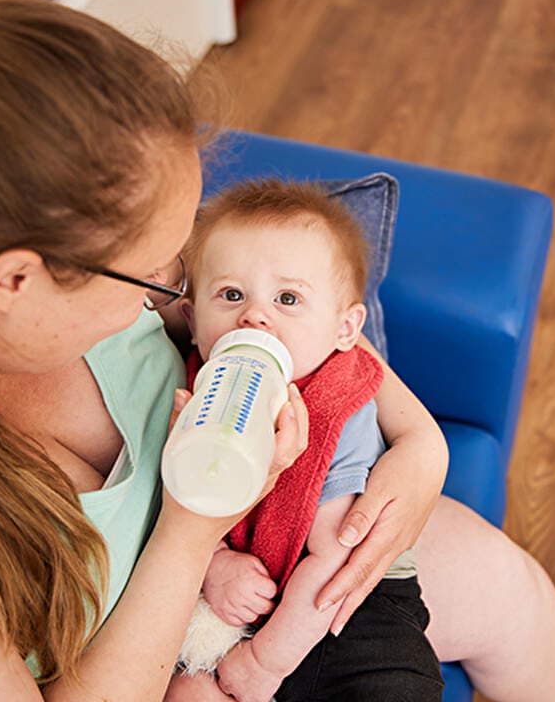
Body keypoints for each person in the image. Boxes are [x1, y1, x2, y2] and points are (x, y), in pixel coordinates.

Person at [0, 0, 555, 702]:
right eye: (151, 270)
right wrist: (190, 532)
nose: (174, 292)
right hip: (160, 647)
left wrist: (419, 443)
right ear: (15, 282)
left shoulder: (15, 268)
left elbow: (269, 323)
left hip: (270, 537)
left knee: (510, 594)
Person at [174, 179, 443, 701]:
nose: (255, 316)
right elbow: (164, 514)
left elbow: (334, 555)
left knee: (395, 686)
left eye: (288, 298)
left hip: (344, 606)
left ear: (346, 331)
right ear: (192, 321)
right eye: (231, 295)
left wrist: (265, 660)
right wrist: (214, 565)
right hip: (230, 608)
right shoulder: (186, 392)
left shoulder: (338, 404)